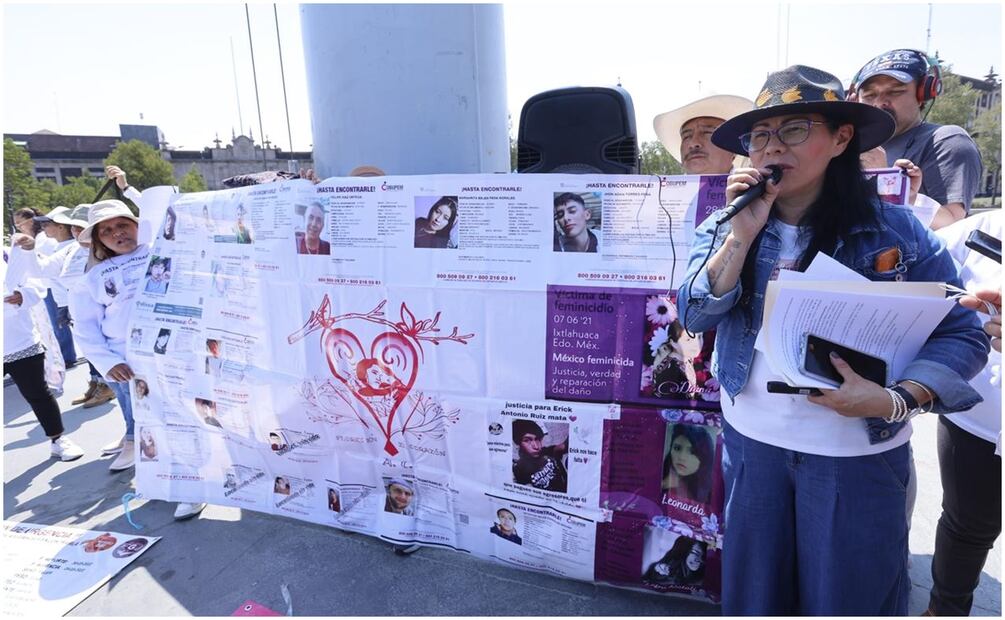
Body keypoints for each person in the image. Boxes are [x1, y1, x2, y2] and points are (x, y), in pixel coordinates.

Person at [678, 65, 988, 615]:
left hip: (858, 455)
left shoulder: (897, 231)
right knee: (758, 600)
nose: (774, 147)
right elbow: (696, 314)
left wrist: (898, 398)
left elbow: (962, 329)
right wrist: (740, 237)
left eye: (795, 129)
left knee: (851, 600)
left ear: (841, 137)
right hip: (755, 447)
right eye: (761, 135)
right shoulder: (727, 222)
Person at [69, 165, 206, 521]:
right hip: (128, 365)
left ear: (137, 225)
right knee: (147, 427)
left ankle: (193, 487)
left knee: (184, 420)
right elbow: (84, 327)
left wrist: (127, 189)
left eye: (123, 225)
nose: (117, 233)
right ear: (98, 240)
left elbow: (167, 206)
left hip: (175, 356)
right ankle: (161, 483)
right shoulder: (91, 280)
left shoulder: (163, 248)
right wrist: (104, 361)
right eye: (108, 230)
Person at [924, 211, 1001, 616]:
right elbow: (917, 254)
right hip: (979, 416)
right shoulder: (983, 228)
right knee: (968, 524)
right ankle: (943, 611)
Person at [852, 49, 982, 229]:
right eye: (869, 95)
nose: (879, 103)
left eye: (895, 91)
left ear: (922, 95)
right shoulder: (850, 144)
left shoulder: (947, 141)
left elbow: (952, 224)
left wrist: (885, 179)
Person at [3, 260, 84, 462]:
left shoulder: (9, 257)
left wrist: (23, 296)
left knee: (38, 393)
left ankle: (58, 440)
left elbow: (37, 286)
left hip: (19, 341)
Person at [654, 94, 754, 174]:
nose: (693, 143)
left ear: (733, 149)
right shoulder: (660, 196)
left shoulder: (759, 196)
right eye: (686, 136)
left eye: (707, 132)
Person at [662, 424, 715, 504]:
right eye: (677, 448)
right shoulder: (659, 475)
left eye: (692, 452)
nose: (681, 457)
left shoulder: (710, 492)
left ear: (704, 457)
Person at [511, 419, 568, 493]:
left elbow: (563, 446)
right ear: (519, 443)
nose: (536, 446)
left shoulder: (546, 452)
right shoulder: (519, 469)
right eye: (527, 440)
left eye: (537, 439)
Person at [643, 535, 707, 586]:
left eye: (704, 556)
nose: (700, 559)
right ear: (683, 552)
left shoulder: (705, 578)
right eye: (695, 553)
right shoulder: (660, 571)